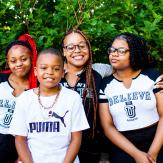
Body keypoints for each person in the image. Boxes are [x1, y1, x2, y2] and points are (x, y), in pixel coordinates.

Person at [9, 48, 89, 163]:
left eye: (56, 69)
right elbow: (20, 139)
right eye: (44, 68)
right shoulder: (24, 99)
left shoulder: (73, 98)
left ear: (62, 73)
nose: (50, 72)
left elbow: (76, 138)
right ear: (36, 71)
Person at [99, 32, 163, 163]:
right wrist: (136, 154)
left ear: (133, 53)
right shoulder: (105, 85)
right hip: (123, 146)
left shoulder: (152, 76)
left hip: (157, 141)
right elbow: (108, 127)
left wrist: (153, 153)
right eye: (112, 50)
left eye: (121, 51)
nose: (114, 54)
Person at [61, 29, 110, 163]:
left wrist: (155, 78)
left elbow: (128, 68)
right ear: (64, 51)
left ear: (88, 48)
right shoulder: (53, 74)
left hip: (90, 149)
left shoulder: (99, 70)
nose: (77, 50)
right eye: (70, 47)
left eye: (82, 46)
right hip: (58, 148)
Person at [0, 34, 37, 163]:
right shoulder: (1, 81)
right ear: (8, 62)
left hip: (23, 144)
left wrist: (21, 157)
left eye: (23, 59)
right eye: (13, 61)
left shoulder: (37, 87)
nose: (19, 64)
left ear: (32, 58)